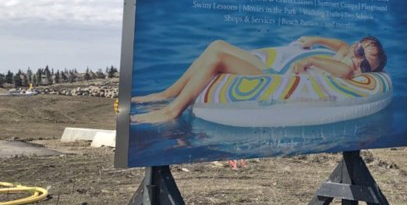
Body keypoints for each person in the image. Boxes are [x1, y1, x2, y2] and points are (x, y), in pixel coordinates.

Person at [132, 36, 387, 123]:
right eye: (360, 52)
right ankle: (167, 94)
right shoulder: (346, 51)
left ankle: (172, 111)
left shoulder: (348, 71)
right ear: (357, 45)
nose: (359, 62)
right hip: (271, 68)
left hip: (275, 80)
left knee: (218, 56)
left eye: (366, 65)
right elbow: (340, 44)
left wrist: (312, 60)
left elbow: (341, 72)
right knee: (216, 44)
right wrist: (315, 39)